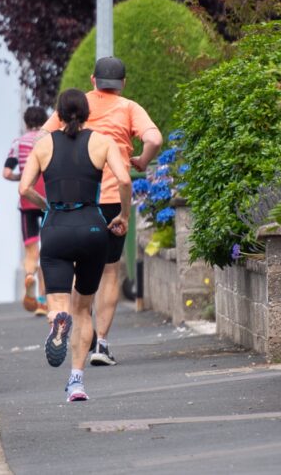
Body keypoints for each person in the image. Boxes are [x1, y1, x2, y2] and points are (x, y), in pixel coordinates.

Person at [41, 57, 162, 366]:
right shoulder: (129, 108)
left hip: (78, 199)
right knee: (109, 269)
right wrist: (142, 161)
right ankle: (102, 344)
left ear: (93, 79)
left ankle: (81, 327)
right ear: (123, 83)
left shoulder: (76, 106)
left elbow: (44, 138)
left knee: (75, 267)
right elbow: (154, 138)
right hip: (113, 200)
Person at [20, 88, 131, 401]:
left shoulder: (43, 145)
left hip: (56, 227)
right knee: (84, 308)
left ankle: (57, 322)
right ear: (87, 113)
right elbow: (123, 180)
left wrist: (46, 205)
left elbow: (23, 187)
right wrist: (122, 214)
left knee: (58, 302)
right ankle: (77, 381)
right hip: (92, 228)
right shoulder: (101, 141)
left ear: (58, 114)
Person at [2, 106, 49, 316]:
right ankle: (42, 298)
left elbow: (6, 173)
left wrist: (20, 178)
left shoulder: (18, 143)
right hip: (47, 198)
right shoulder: (50, 139)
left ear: (25, 122)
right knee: (48, 250)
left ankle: (29, 274)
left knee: (32, 250)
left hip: (27, 199)